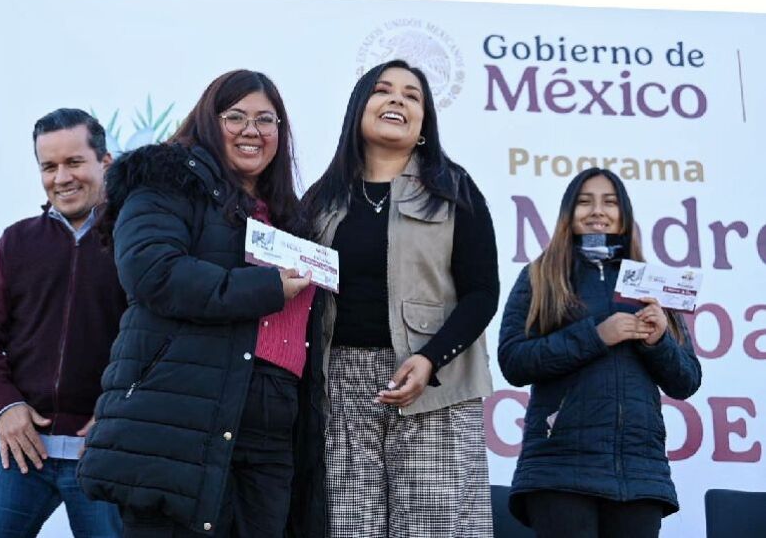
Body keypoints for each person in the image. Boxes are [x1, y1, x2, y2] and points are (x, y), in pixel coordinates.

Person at [77, 70, 324, 538]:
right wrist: (265, 288)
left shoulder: (291, 216)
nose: (251, 130)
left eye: (266, 120)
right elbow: (153, 272)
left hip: (272, 427)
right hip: (183, 417)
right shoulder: (167, 181)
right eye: (236, 117)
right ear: (209, 121)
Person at [303, 59, 500, 537]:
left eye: (412, 96)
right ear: (359, 109)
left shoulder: (454, 189)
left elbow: (482, 292)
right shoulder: (322, 197)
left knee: (430, 528)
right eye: (383, 90)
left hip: (434, 384)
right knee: (347, 528)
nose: (397, 99)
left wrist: (431, 359)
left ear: (424, 123)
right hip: (341, 388)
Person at [497, 168, 702, 538]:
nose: (597, 211)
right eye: (584, 202)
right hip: (559, 469)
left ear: (624, 214)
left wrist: (658, 342)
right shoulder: (541, 275)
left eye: (610, 202)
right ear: (568, 212)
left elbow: (686, 380)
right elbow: (514, 361)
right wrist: (596, 336)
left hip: (640, 475)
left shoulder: (651, 282)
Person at [0, 108, 127, 537]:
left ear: (105, 162)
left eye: (74, 162)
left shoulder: (135, 240)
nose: (61, 178)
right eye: (49, 166)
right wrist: (3, 406)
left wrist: (120, 411)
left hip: (105, 447)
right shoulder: (17, 241)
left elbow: (162, 340)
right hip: (14, 443)